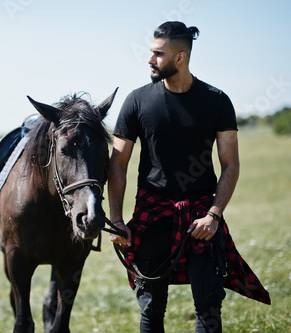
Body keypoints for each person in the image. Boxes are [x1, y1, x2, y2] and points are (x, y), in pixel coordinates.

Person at [108, 21, 270, 333]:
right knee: (151, 309)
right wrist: (116, 218)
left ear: (180, 58)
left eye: (158, 54)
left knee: (209, 307)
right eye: (151, 52)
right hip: (152, 212)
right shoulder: (137, 101)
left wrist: (214, 214)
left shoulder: (217, 101)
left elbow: (231, 165)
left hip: (201, 217)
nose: (150, 59)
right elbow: (118, 164)